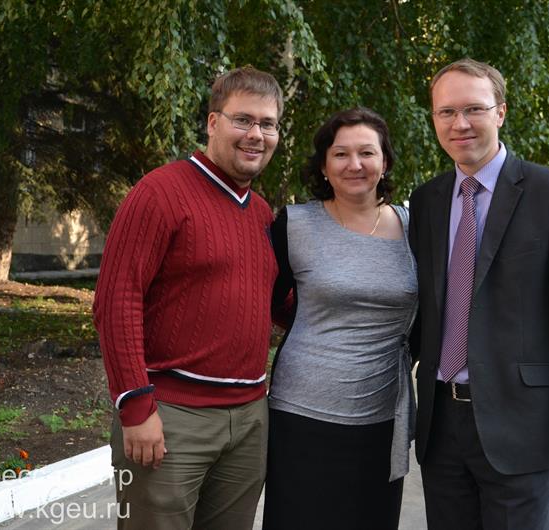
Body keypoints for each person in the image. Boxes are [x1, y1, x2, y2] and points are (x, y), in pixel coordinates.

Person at [408, 58, 549, 530]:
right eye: (446, 112)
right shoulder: (427, 200)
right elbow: (423, 310)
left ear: (500, 112)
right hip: (441, 426)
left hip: (520, 424)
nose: (460, 123)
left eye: (473, 109)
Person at [93, 66, 283, 530]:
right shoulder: (160, 192)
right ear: (213, 123)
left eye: (268, 124)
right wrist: (136, 406)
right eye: (243, 120)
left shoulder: (262, 214)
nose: (256, 135)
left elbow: (279, 304)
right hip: (171, 417)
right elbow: (116, 300)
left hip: (249, 420)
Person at [263, 108, 418, 530]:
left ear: (385, 162)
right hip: (302, 413)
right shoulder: (295, 224)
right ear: (323, 165)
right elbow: (266, 304)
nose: (355, 164)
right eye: (341, 154)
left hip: (382, 414)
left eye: (367, 152)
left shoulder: (414, 227)